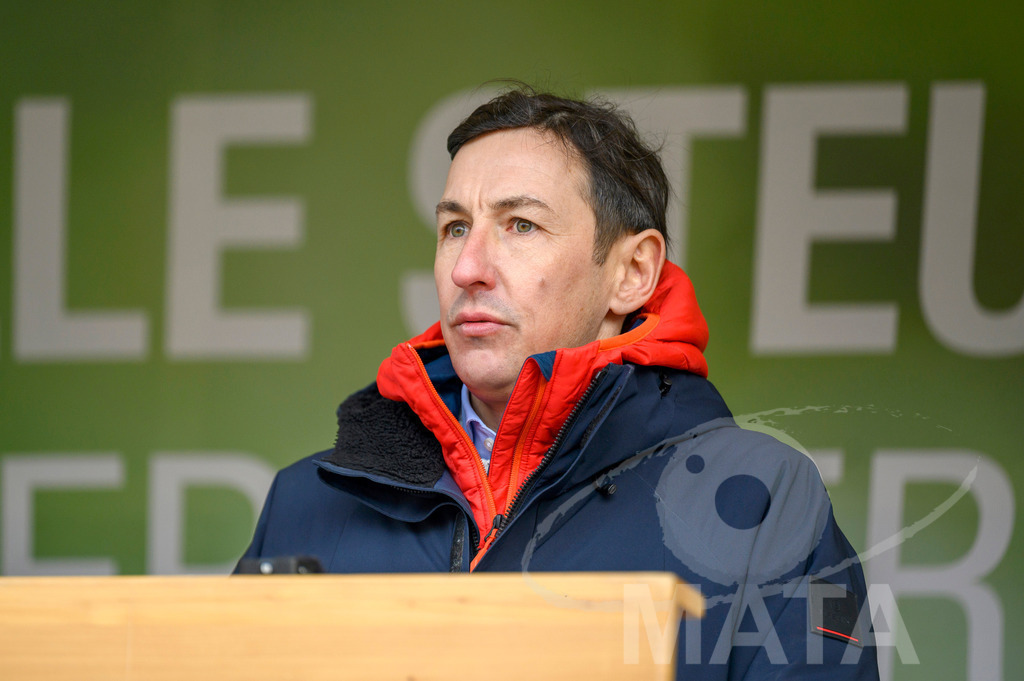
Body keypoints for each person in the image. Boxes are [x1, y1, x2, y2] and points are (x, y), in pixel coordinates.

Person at [237, 85, 879, 679]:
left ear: (632, 271)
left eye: (521, 225)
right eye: (455, 227)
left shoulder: (760, 503)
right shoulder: (304, 503)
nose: (467, 268)